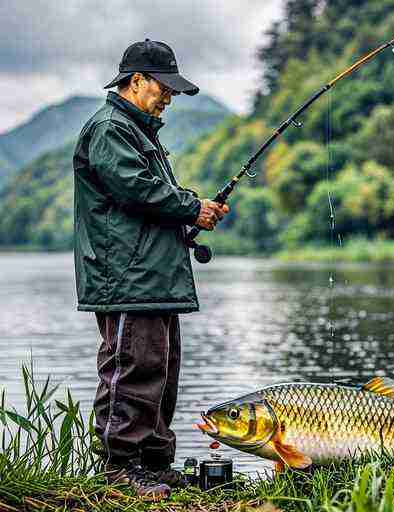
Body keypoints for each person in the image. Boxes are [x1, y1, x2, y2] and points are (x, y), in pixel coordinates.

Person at [73, 39, 228, 498]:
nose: (169, 97)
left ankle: (155, 463)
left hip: (153, 277)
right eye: (165, 88)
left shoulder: (139, 131)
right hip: (126, 278)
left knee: (161, 369)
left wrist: (193, 214)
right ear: (136, 80)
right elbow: (134, 189)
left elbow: (145, 204)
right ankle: (120, 469)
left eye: (173, 92)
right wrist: (190, 207)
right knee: (132, 368)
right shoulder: (110, 128)